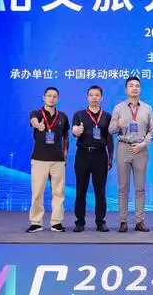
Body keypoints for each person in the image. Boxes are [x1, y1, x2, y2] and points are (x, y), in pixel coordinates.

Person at [108, 76, 153, 232]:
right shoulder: (119, 108)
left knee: (140, 188)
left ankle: (139, 221)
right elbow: (110, 130)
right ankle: (123, 221)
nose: (134, 88)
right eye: (131, 86)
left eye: (137, 86)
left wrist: (143, 144)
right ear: (126, 89)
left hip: (140, 149)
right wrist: (118, 124)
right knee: (123, 187)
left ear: (140, 89)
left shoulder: (147, 108)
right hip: (124, 147)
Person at [27, 87, 70, 233]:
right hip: (39, 159)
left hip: (58, 160)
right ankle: (36, 222)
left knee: (58, 192)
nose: (52, 98)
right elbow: (33, 121)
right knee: (37, 192)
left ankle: (56, 222)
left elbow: (66, 138)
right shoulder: (36, 113)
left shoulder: (62, 116)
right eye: (49, 95)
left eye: (54, 96)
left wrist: (65, 157)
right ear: (43, 97)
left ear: (58, 99)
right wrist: (38, 125)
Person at [71, 85, 114, 233]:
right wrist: (77, 131)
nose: (94, 98)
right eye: (91, 95)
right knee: (80, 190)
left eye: (97, 95)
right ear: (87, 97)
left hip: (100, 155)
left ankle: (100, 222)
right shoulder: (79, 115)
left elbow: (109, 139)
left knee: (100, 191)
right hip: (83, 154)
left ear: (101, 97)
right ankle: (79, 222)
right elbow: (74, 130)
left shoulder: (107, 116)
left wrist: (110, 157)